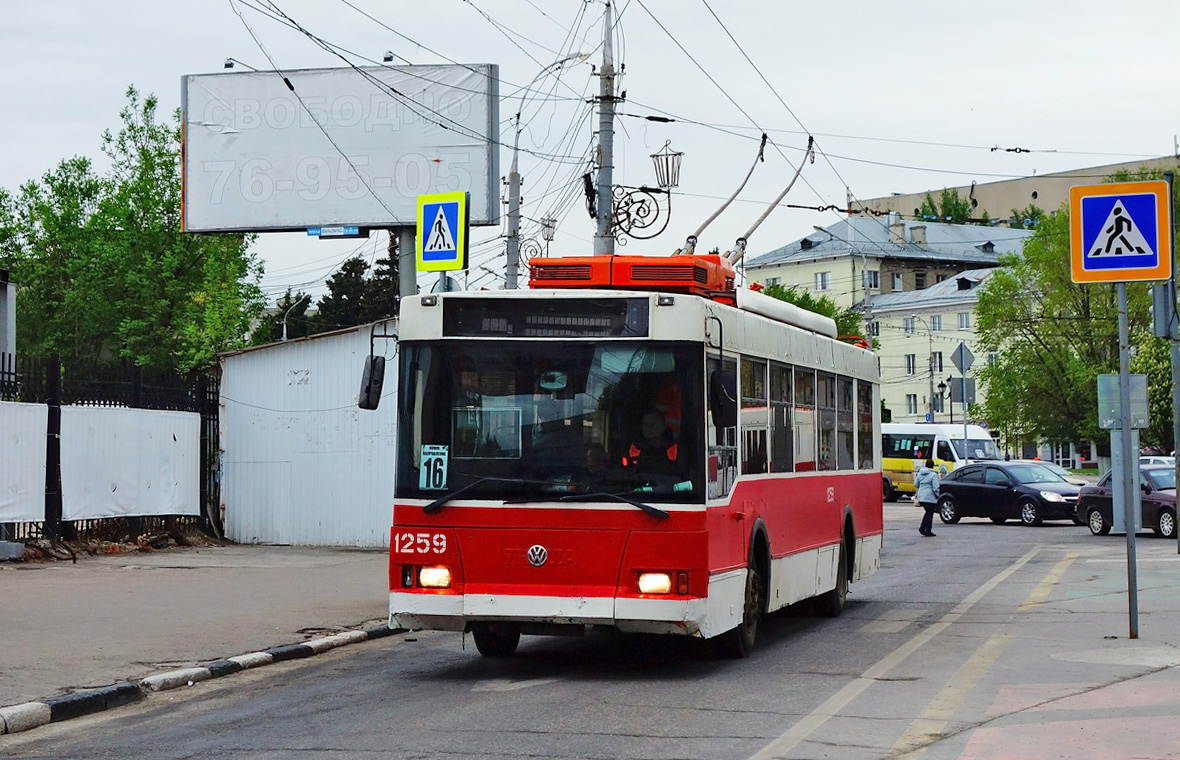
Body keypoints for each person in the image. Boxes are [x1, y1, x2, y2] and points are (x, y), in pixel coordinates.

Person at [915, 457, 941, 537]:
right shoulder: (933, 475)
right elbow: (935, 487)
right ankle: (927, 530)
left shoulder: (920, 473)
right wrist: (938, 495)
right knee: (930, 513)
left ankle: (923, 528)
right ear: (933, 466)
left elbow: (916, 484)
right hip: (930, 497)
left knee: (927, 512)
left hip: (921, 496)